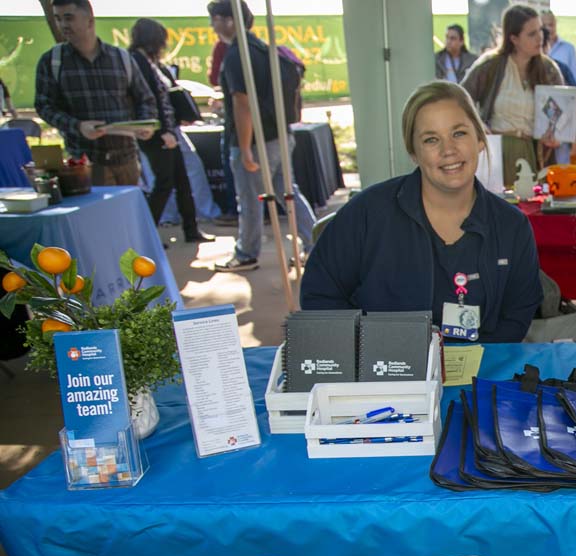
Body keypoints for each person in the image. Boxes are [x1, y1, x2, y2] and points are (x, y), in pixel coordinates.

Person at [301, 81, 542, 343]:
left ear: (481, 139)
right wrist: (370, 355)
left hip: (481, 373)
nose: (448, 150)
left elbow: (518, 314)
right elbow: (319, 295)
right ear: (413, 152)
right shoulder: (367, 214)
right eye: (431, 139)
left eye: (459, 133)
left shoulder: (511, 226)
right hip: (385, 375)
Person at [209, 0, 315, 272]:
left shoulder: (237, 55)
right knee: (288, 193)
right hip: (279, 133)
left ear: (230, 20)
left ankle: (246, 252)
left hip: (256, 141)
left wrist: (244, 148)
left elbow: (242, 103)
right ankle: (315, 242)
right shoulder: (264, 50)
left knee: (251, 198)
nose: (213, 25)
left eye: (216, 19)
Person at [34, 0, 157, 186]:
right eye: (58, 19)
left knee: (129, 214)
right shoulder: (52, 61)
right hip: (86, 162)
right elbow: (44, 106)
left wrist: (146, 124)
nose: (63, 25)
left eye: (69, 18)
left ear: (90, 21)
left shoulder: (121, 58)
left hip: (127, 160)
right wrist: (78, 126)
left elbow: (145, 98)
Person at [128, 19, 213, 243]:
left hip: (168, 130)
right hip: (156, 133)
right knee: (163, 183)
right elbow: (149, 100)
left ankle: (191, 229)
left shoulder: (153, 63)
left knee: (182, 180)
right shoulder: (137, 62)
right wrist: (163, 131)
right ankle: (147, 235)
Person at [461, 4, 564, 187]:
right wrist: (478, 125)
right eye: (531, 33)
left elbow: (560, 111)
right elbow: (460, 99)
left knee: (533, 208)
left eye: (540, 30)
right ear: (514, 38)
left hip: (534, 153)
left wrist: (556, 133)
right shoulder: (491, 66)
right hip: (498, 152)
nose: (540, 37)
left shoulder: (548, 70)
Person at [540, 10, 576, 90]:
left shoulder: (568, 49)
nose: (548, 29)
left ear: (556, 24)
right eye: (544, 26)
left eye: (551, 25)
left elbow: (575, 80)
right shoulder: (533, 49)